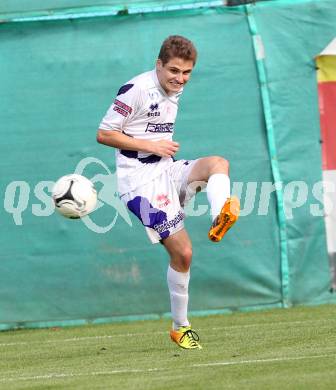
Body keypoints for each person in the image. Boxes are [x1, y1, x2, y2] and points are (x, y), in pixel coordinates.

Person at [97, 35, 240, 350]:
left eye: (187, 72)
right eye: (174, 70)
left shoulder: (176, 88)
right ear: (158, 64)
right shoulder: (135, 90)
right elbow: (104, 134)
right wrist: (151, 145)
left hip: (165, 170)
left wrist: (159, 151)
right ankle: (181, 327)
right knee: (183, 253)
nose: (180, 78)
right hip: (138, 188)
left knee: (218, 164)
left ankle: (221, 216)